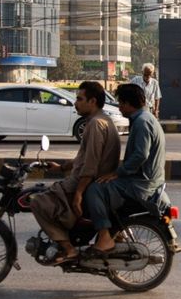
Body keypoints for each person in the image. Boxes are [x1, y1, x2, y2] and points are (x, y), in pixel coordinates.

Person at [29, 81, 119, 264]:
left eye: (79, 99)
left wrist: (78, 193)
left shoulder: (95, 124)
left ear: (92, 101)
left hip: (82, 183)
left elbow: (91, 165)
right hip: (84, 179)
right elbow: (84, 158)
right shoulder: (103, 121)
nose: (75, 103)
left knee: (37, 201)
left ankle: (69, 249)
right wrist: (61, 167)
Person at [84, 83, 165, 254]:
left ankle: (105, 237)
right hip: (145, 180)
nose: (119, 107)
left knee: (95, 189)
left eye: (121, 103)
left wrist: (116, 173)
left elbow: (140, 155)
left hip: (141, 184)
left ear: (129, 104)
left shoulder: (142, 122)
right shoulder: (146, 118)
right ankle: (117, 233)